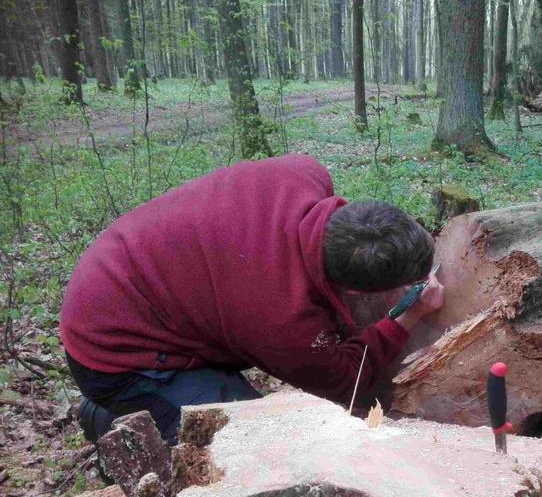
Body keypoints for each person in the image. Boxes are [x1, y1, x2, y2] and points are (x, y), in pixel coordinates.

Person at [60, 153, 443, 445]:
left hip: (130, 275)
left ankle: (144, 407)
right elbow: (347, 382)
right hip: (114, 352)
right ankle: (118, 418)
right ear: (356, 290)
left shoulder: (304, 172)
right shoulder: (282, 319)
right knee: (253, 441)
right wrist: (408, 314)